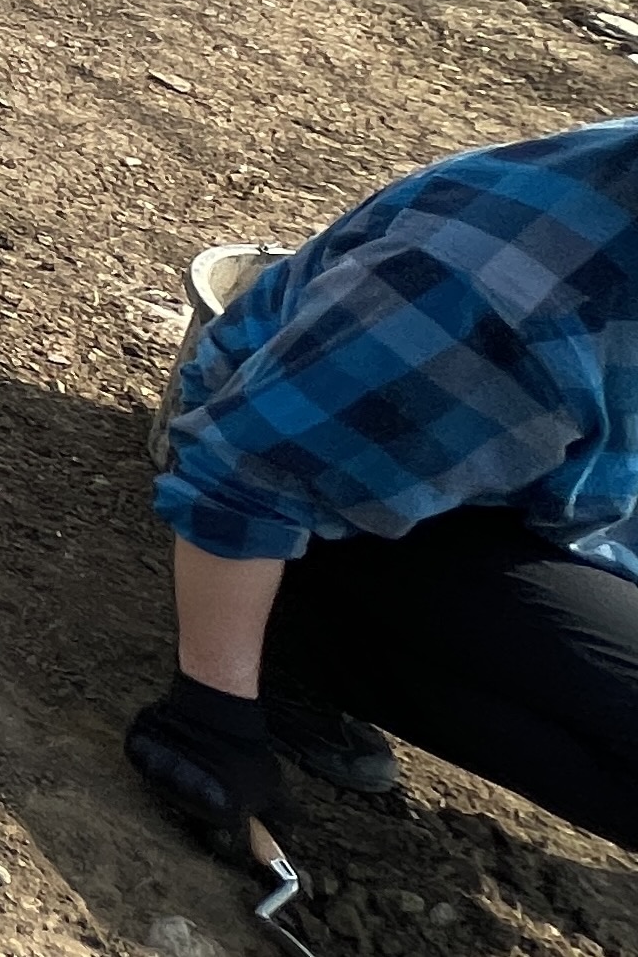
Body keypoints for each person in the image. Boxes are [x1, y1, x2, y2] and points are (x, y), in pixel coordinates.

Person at [126, 116, 636, 866]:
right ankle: (296, 647)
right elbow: (247, 474)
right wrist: (214, 710)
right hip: (362, 515)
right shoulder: (504, 298)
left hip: (556, 501)